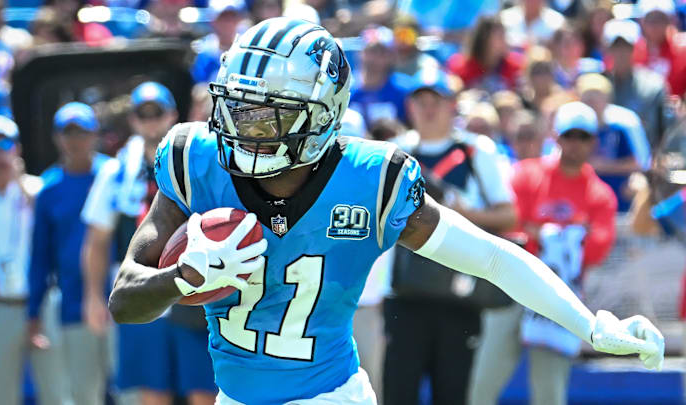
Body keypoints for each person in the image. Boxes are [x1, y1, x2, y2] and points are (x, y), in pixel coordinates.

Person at [107, 17, 664, 405]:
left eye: (264, 115)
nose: (239, 130)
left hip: (329, 397)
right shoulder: (195, 160)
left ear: (318, 115)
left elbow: (492, 258)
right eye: (237, 109)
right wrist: (182, 280)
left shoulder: (372, 183)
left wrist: (590, 324)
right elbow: (125, 301)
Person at [467, 102, 618, 405]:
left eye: (583, 137)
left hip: (558, 297)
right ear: (556, 137)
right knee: (482, 386)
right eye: (569, 135)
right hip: (509, 288)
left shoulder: (599, 194)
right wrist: (567, 234)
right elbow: (510, 227)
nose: (575, 144)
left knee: (549, 392)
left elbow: (596, 250)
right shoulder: (526, 174)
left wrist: (541, 232)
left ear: (594, 141)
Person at [385, 69, 516, 405]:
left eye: (436, 101)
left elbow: (509, 215)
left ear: (452, 106)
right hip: (405, 295)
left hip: (460, 298)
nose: (428, 109)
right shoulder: (395, 153)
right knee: (398, 393)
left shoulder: (476, 151)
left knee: (454, 394)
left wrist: (459, 213)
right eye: (421, 101)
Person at [81, 81, 217, 405]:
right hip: (144, 290)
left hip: (192, 291)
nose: (150, 121)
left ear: (172, 115)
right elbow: (97, 240)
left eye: (157, 113)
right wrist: (93, 297)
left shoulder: (195, 166)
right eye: (143, 114)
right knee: (152, 391)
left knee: (203, 391)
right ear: (133, 120)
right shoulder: (116, 172)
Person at [0, 115, 66, 405]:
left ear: (17, 148)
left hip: (42, 305)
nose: (0, 151)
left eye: (5, 142)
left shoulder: (36, 190)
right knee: (2, 396)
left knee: (55, 392)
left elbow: (58, 235)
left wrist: (21, 183)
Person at [28, 102, 112, 405]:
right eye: (68, 132)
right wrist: (33, 312)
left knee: (133, 394)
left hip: (123, 303)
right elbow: (40, 256)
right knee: (83, 395)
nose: (76, 140)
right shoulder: (48, 188)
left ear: (95, 135)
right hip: (74, 306)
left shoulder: (113, 175)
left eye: (83, 132)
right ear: (56, 137)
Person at [576, 73, 650, 212]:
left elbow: (638, 163)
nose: (591, 102)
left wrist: (603, 166)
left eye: (596, 96)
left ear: (607, 99)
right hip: (583, 204)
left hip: (619, 201)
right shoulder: (574, 132)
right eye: (587, 97)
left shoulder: (620, 128)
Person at [603, 18, 674, 149]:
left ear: (634, 47)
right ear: (607, 49)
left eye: (626, 46)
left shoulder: (653, 86)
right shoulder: (597, 86)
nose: (621, 52)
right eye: (615, 46)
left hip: (644, 160)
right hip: (607, 160)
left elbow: (665, 130)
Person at [633, 0, 686, 97]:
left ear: (671, 20)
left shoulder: (683, 50)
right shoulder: (631, 50)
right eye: (650, 20)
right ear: (641, 21)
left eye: (661, 19)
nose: (655, 25)